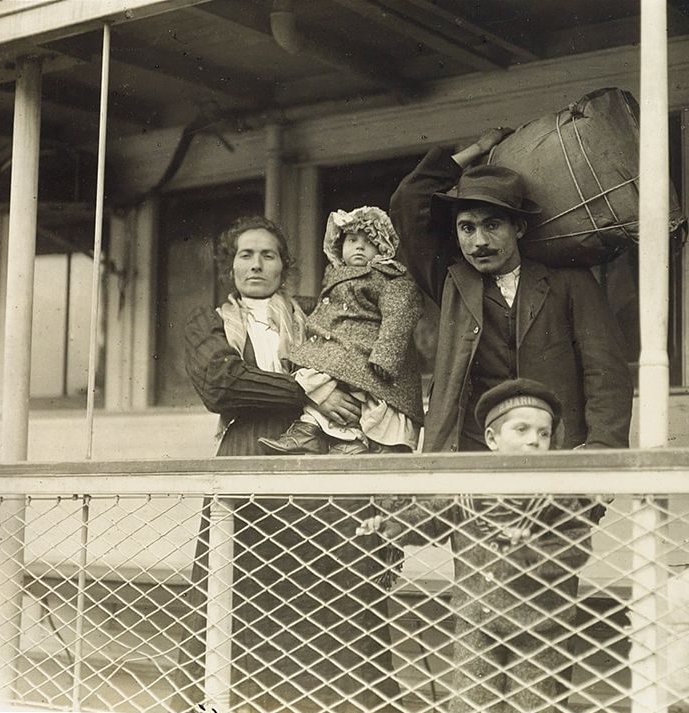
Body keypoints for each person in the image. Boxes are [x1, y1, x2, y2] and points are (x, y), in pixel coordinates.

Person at [176, 215, 400, 713]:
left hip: (320, 460)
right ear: (230, 265)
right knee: (235, 591)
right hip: (248, 457)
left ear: (285, 266)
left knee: (332, 592)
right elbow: (224, 386)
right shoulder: (208, 320)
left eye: (269, 255)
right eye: (245, 254)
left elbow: (361, 349)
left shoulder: (314, 312)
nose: (256, 264)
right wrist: (312, 390)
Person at [359, 378, 604, 713]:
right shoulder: (468, 490)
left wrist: (532, 552)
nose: (534, 440)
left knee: (531, 705)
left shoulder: (555, 493)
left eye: (543, 433)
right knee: (471, 702)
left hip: (539, 623)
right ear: (492, 439)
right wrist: (390, 525)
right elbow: (432, 519)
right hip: (476, 619)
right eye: (521, 430)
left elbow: (576, 546)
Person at [389, 127, 633, 453]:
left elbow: (606, 374)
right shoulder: (452, 281)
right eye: (467, 228)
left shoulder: (570, 282)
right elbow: (408, 199)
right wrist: (478, 147)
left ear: (517, 228)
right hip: (469, 455)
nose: (479, 242)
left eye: (492, 225)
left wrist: (602, 449)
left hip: (554, 452)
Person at [259, 206, 424, 455]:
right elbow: (326, 308)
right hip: (338, 346)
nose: (359, 246)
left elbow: (400, 313)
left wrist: (385, 355)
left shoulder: (388, 277)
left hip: (366, 349)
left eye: (370, 242)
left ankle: (352, 440)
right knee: (313, 374)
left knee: (357, 391)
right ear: (339, 246)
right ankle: (309, 431)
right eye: (353, 240)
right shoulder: (335, 277)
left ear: (383, 250)